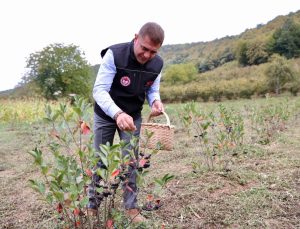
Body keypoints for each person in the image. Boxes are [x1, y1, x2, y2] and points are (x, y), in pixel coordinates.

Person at [88, 22, 165, 223]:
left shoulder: (157, 64)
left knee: (130, 162)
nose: (147, 55)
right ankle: (92, 207)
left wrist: (155, 101)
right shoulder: (114, 54)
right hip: (106, 114)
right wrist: (117, 113)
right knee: (100, 160)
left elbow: (152, 89)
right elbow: (99, 90)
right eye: (144, 48)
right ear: (135, 38)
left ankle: (131, 208)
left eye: (153, 52)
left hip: (133, 116)